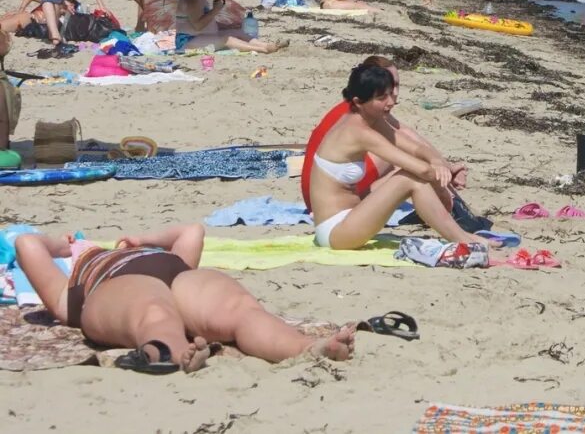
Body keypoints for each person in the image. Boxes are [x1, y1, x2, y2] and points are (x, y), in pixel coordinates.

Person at [13, 224, 354, 373]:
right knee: (236, 312)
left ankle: (307, 348)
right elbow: (25, 244)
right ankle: (304, 348)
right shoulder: (67, 294)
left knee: (166, 310)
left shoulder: (77, 277)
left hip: (160, 277)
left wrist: (66, 245)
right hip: (170, 275)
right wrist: (65, 249)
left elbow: (192, 231)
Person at [308, 62, 488, 249]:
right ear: (358, 101)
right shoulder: (358, 132)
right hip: (335, 232)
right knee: (410, 179)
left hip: (351, 218)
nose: (391, 102)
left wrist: (438, 161)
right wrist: (445, 177)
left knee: (412, 177)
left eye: (389, 94)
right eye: (381, 98)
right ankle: (463, 238)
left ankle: (463, 236)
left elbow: (416, 148)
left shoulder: (370, 119)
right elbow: (420, 169)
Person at [176, 0, 285, 54]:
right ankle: (262, 49)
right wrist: (216, 10)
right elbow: (198, 25)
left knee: (238, 32)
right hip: (187, 40)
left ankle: (267, 44)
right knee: (227, 40)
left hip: (201, 35)